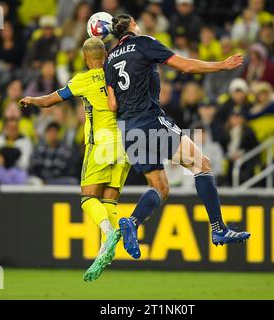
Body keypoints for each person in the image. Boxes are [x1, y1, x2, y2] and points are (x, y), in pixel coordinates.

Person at [105, 14, 250, 261]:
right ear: (132, 26)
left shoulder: (109, 59)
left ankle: (131, 221)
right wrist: (221, 65)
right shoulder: (144, 43)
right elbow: (185, 66)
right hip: (150, 121)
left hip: (128, 129)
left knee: (160, 187)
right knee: (201, 165)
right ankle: (218, 229)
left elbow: (111, 104)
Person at [19, 37, 131, 282]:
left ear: (84, 58)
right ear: (105, 56)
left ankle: (108, 231)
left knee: (88, 198)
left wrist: (32, 100)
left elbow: (50, 100)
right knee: (109, 201)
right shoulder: (121, 75)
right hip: (125, 144)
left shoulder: (83, 80)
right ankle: (106, 250)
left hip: (100, 144)